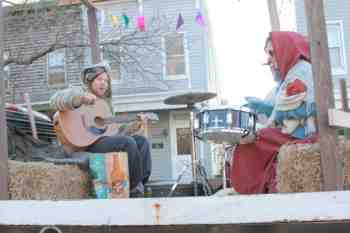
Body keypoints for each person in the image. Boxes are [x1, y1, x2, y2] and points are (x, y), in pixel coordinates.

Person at [230, 31, 318, 194]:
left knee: (250, 142)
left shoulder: (301, 71)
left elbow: (286, 117)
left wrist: (255, 131)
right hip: (294, 132)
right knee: (250, 137)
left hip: (302, 135)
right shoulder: (291, 74)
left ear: (285, 48)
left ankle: (255, 189)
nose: (269, 60)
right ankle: (263, 186)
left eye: (272, 53)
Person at [50, 61, 152, 197]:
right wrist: (81, 98)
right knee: (128, 143)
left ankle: (140, 184)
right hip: (83, 145)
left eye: (106, 80)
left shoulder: (104, 105)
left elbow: (114, 133)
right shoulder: (78, 92)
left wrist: (133, 127)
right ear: (89, 80)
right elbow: (54, 100)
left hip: (100, 141)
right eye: (99, 79)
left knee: (141, 141)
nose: (104, 83)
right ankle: (133, 189)